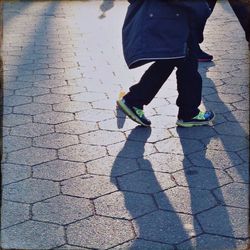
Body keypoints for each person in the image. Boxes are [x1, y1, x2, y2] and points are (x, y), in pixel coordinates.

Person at [117, 0, 215, 128]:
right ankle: (188, 113)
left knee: (174, 60)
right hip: (170, 18)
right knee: (185, 63)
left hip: (170, 17)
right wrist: (201, 7)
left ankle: (136, 99)